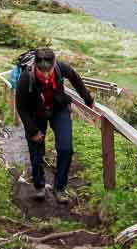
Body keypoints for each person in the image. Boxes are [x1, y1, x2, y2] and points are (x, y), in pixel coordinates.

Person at [15, 48, 94, 204]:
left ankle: (59, 187)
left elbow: (75, 78)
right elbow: (21, 107)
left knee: (66, 148)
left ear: (54, 64)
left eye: (48, 71)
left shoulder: (60, 67)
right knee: (36, 150)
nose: (45, 75)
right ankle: (39, 186)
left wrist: (88, 99)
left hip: (59, 108)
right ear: (36, 66)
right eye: (41, 71)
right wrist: (33, 131)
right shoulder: (26, 78)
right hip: (35, 113)